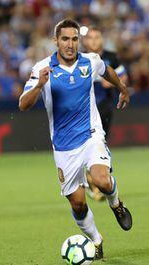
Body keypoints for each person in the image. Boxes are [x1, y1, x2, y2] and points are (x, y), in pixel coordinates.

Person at [19, 19, 132, 260]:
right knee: (78, 204)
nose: (70, 44)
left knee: (101, 180)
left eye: (74, 39)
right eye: (65, 39)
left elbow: (106, 70)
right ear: (55, 41)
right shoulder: (42, 68)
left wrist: (122, 88)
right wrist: (39, 85)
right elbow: (23, 105)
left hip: (91, 134)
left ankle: (116, 203)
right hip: (63, 146)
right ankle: (96, 240)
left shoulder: (89, 61)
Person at [82, 25, 128, 202]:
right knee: (92, 143)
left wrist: (115, 81)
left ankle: (93, 180)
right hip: (85, 108)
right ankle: (96, 182)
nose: (94, 40)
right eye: (90, 38)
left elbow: (123, 76)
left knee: (100, 141)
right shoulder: (80, 58)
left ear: (102, 39)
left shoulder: (111, 57)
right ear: (85, 41)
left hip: (105, 106)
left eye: (97, 37)